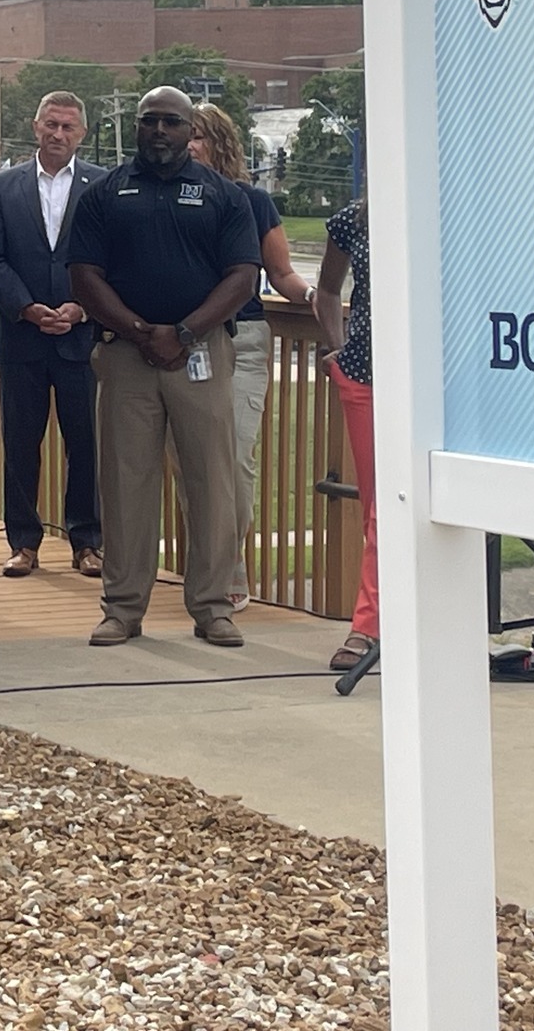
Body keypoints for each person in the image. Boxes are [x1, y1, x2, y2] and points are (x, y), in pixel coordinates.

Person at [68, 86, 261, 647]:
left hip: (201, 353)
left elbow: (243, 277)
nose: (159, 130)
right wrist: (138, 330)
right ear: (136, 127)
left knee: (212, 481)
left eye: (171, 122)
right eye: (149, 120)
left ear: (188, 129)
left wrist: (183, 332)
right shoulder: (106, 193)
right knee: (126, 484)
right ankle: (122, 609)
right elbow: (84, 275)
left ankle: (211, 606)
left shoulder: (225, 196)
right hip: (126, 355)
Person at [0, 92, 107, 577]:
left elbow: (111, 259)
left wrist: (82, 308)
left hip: (81, 337)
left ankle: (86, 543)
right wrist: (27, 308)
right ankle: (23, 543)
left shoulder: (101, 185)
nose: (58, 134)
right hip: (22, 337)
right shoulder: (3, 186)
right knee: (21, 442)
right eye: (51, 124)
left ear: (82, 134)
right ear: (35, 126)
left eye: (68, 127)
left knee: (85, 444)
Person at [186, 103, 311, 610]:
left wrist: (315, 299)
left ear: (221, 143)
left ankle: (227, 569)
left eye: (199, 136)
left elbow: (281, 274)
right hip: (182, 343)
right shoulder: (163, 199)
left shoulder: (253, 202)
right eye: (183, 135)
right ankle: (209, 569)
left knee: (235, 459)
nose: (189, 144)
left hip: (243, 339)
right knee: (193, 463)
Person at [314, 197, 379, 672]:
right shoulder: (353, 218)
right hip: (365, 375)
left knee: (396, 510)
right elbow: (328, 289)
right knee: (377, 508)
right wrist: (339, 349)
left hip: (434, 381)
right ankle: (374, 622)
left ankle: (368, 626)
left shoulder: (451, 213)